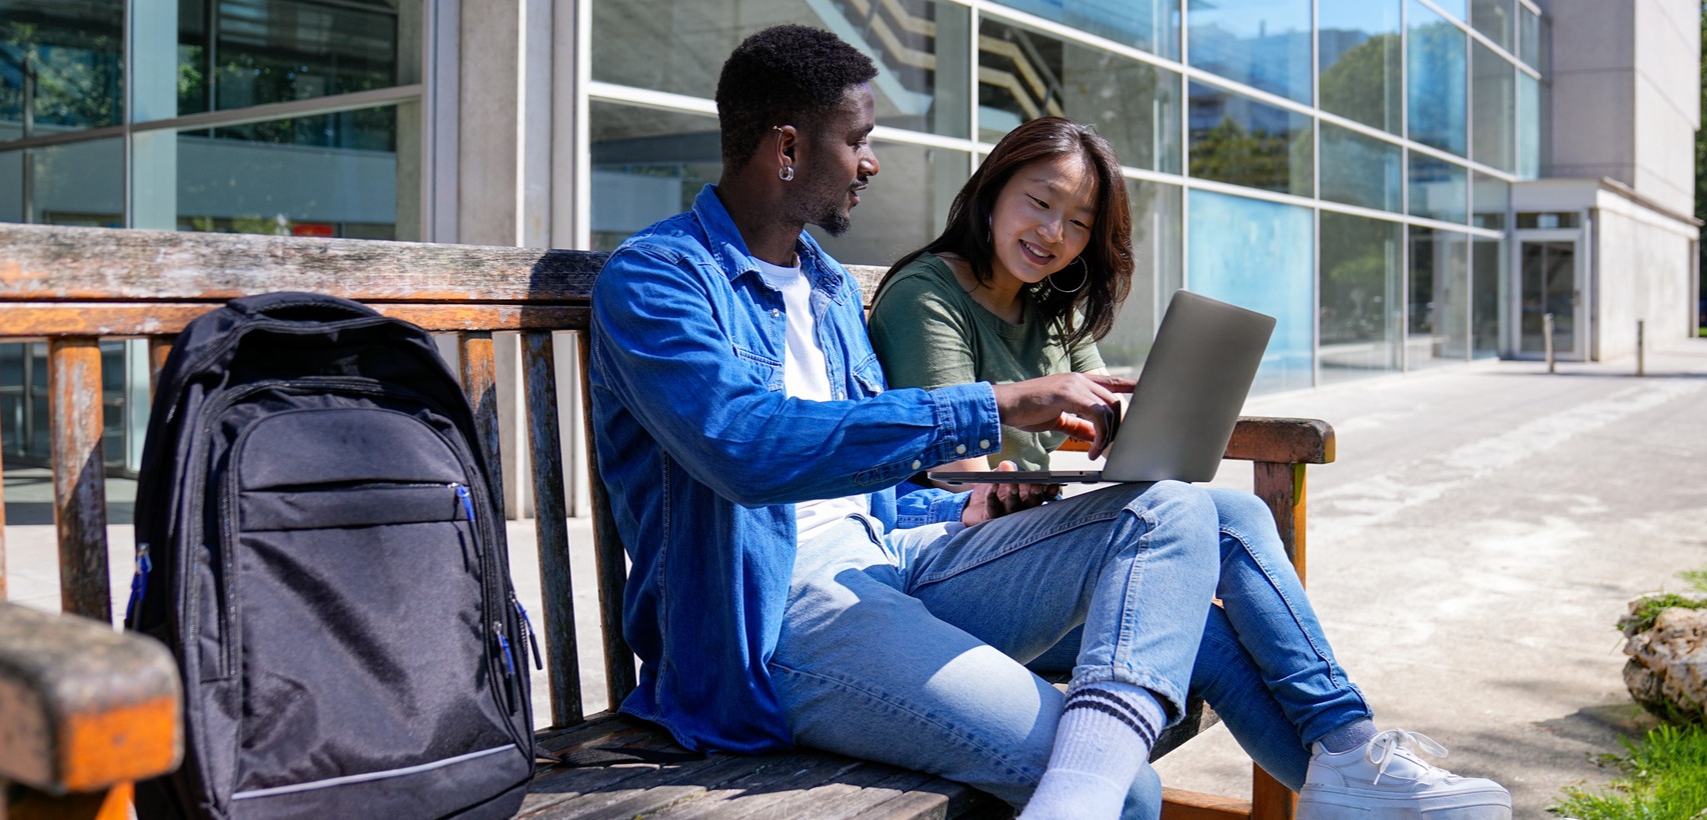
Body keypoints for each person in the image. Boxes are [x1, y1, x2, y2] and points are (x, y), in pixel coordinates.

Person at [588, 25, 1510, 820]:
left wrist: (980, 508)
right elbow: (746, 450)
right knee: (1129, 791)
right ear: (787, 150)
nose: (872, 162)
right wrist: (995, 408)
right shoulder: (658, 280)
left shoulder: (825, 287)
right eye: (859, 140)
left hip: (893, 565)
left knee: (1189, 514)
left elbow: (878, 489)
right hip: (776, 621)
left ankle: (1346, 762)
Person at [864, 115, 1515, 817]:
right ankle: (1356, 763)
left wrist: (1155, 415)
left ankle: (1350, 776)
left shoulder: (1048, 312)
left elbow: (1108, 425)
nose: (1054, 233)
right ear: (991, 192)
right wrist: (1030, 488)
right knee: (1228, 517)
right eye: (1039, 202)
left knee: (1202, 628)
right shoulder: (928, 294)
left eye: (1078, 222)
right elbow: (963, 477)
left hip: (1032, 553)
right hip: (940, 564)